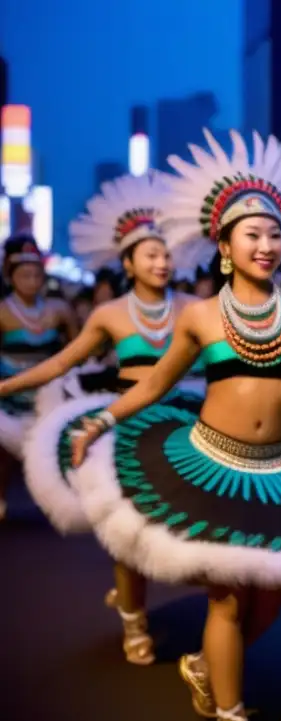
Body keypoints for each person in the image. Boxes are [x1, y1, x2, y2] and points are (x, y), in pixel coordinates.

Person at [70, 129, 281, 721]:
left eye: (274, 233)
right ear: (224, 247)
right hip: (211, 466)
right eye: (251, 235)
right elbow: (155, 383)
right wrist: (98, 421)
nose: (265, 244)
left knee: (273, 594)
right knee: (226, 595)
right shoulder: (200, 317)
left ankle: (203, 664)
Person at [0, 172, 205, 665]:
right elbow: (60, 362)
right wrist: (5, 386)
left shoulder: (197, 308)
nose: (161, 262)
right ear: (128, 262)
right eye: (149, 255)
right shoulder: (109, 315)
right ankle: (134, 619)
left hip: (191, 428)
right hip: (131, 428)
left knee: (192, 528)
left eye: (165, 253)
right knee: (127, 529)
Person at [0, 234, 79, 519]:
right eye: (24, 275)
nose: (31, 280)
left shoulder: (59, 309)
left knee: (51, 450)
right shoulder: (3, 311)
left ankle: (54, 502)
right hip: (8, 392)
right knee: (5, 454)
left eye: (36, 274)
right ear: (11, 277)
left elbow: (76, 348)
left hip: (47, 391)